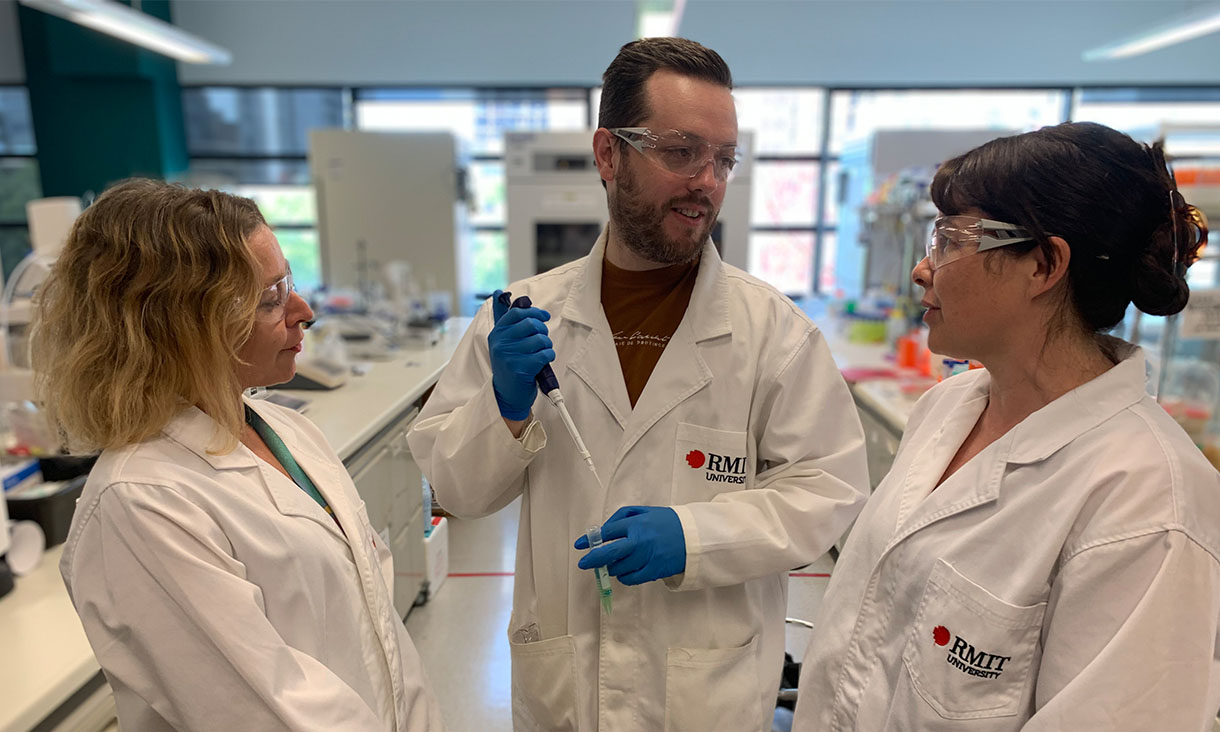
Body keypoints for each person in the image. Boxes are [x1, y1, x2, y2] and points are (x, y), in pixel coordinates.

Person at [407, 37, 868, 731]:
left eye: (723, 160)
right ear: (608, 154)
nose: (707, 180)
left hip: (705, 694)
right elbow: (461, 491)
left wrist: (696, 536)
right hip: (568, 688)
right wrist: (501, 410)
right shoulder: (525, 315)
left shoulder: (773, 332)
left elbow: (828, 494)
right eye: (681, 151)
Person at [792, 121, 1220, 731]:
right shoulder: (951, 406)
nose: (921, 268)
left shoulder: (1147, 505)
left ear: (1044, 264)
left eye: (948, 239)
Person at [34, 179, 446, 732]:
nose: (304, 310)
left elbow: (382, 639)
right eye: (270, 298)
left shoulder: (286, 430)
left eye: (289, 284)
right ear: (181, 326)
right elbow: (270, 711)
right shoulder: (143, 503)